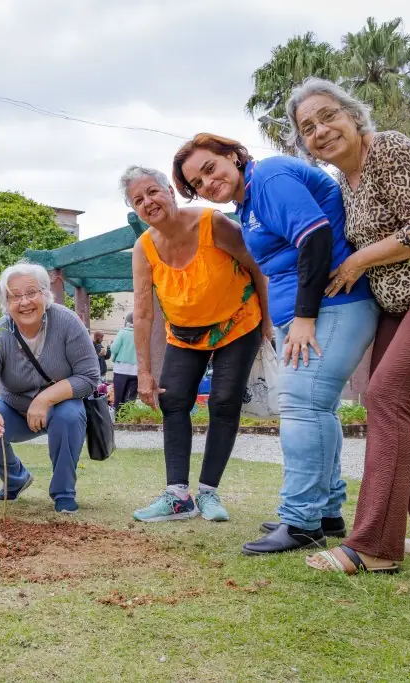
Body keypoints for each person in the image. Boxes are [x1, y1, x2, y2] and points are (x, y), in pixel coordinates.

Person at [285, 78, 410, 574]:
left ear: (353, 116)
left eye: (328, 116)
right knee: (394, 408)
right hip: (400, 304)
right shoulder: (343, 184)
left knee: (386, 395)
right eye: (308, 128)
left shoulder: (391, 149)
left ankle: (373, 546)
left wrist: (357, 262)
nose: (321, 130)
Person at [173, 133, 378, 554]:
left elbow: (316, 237)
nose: (207, 183)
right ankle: (326, 511)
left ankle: (301, 521)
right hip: (307, 313)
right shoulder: (247, 202)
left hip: (330, 307)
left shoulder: (268, 177)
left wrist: (304, 317)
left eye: (210, 168)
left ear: (232, 155)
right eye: (197, 183)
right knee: (320, 410)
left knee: (303, 408)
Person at [121, 166, 270, 523]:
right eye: (138, 200)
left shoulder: (212, 223)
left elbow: (257, 266)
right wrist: (144, 372)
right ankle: (177, 497)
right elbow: (143, 312)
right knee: (172, 400)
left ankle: (208, 493)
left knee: (224, 401)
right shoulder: (144, 248)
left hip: (237, 323)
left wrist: (267, 322)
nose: (148, 202)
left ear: (170, 192)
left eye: (152, 192)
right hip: (185, 333)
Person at [0, 262, 100, 514]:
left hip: (61, 408)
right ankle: (16, 478)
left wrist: (44, 399)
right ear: (6, 303)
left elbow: (89, 377)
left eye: (31, 293)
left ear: (45, 294)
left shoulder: (67, 322)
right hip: (16, 410)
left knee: (69, 415)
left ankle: (64, 492)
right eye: (15, 296)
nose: (24, 302)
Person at [110, 312, 139, 410]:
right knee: (130, 399)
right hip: (136, 371)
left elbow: (114, 348)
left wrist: (111, 346)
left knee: (118, 398)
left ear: (127, 321)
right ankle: (127, 417)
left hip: (121, 369)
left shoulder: (122, 332)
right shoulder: (142, 333)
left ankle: (118, 418)